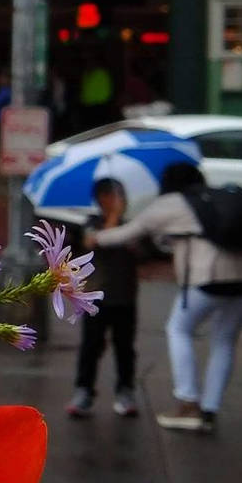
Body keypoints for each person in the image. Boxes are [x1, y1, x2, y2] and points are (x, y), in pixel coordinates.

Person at [91, 161, 242, 434]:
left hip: (211, 278)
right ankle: (209, 410)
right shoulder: (216, 198)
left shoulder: (172, 203)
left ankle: (188, 403)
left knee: (179, 329)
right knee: (224, 340)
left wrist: (96, 238)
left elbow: (127, 233)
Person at [69, 177, 139, 419]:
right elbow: (93, 241)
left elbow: (139, 248)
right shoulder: (91, 223)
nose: (117, 201)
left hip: (124, 297)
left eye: (119, 196)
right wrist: (113, 219)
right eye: (111, 196)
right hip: (95, 298)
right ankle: (84, 390)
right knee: (91, 345)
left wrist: (120, 223)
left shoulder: (133, 226)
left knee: (125, 347)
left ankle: (125, 390)